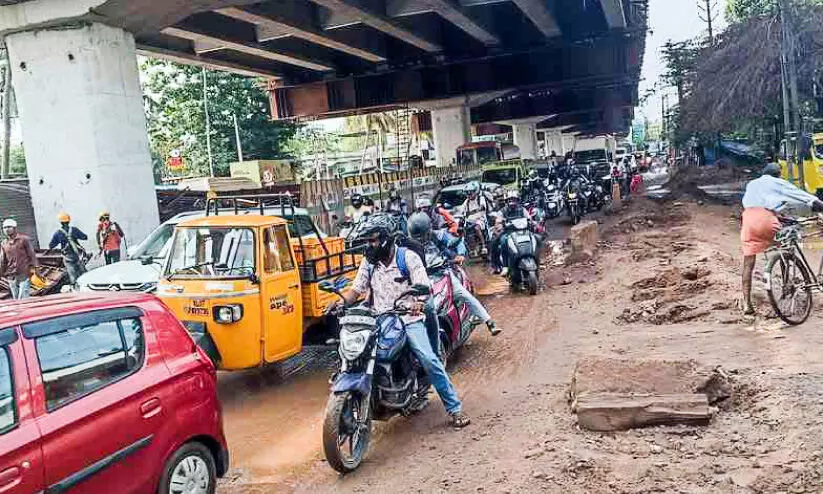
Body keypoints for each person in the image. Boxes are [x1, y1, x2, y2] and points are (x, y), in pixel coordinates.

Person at [328, 221, 471, 428]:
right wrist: (341, 302)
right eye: (366, 241)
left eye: (372, 240)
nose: (369, 246)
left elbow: (423, 285)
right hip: (378, 317)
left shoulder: (408, 257)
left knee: (428, 359)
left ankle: (454, 409)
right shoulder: (369, 262)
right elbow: (356, 289)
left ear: (385, 240)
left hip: (407, 317)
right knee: (353, 352)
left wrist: (418, 304)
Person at [741, 162, 823, 315]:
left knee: (748, 263)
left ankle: (747, 305)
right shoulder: (778, 182)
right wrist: (816, 204)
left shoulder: (752, 184)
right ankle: (787, 285)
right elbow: (801, 195)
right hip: (767, 219)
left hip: (748, 220)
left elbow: (761, 204)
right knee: (786, 245)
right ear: (778, 173)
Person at [408, 213, 502, 336]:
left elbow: (455, 242)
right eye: (417, 236)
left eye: (422, 235)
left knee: (463, 294)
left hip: (442, 273)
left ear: (428, 230)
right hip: (422, 278)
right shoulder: (408, 245)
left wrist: (460, 254)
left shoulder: (438, 236)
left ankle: (489, 322)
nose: (420, 239)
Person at [0, 219, 38, 299]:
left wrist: (35, 268)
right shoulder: (4, 243)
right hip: (11, 274)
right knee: (15, 297)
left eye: (9, 227)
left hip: (23, 272)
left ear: (14, 228)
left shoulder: (24, 239)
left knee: (23, 295)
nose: (7, 229)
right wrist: (1, 272)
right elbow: (3, 259)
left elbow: (31, 254)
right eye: (4, 228)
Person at [49, 212, 89, 285]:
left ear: (60, 222)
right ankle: (87, 284)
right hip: (78, 255)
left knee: (72, 274)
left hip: (68, 257)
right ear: (69, 221)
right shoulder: (74, 230)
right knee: (83, 272)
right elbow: (85, 237)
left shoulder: (58, 233)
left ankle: (75, 287)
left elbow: (51, 245)